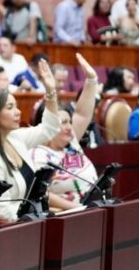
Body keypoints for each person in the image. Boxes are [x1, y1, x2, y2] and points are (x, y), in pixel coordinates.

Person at [0, 57, 60, 221]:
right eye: (10, 108)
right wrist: (38, 214)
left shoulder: (15, 138)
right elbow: (0, 212)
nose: (18, 112)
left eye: (16, 106)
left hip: (30, 222)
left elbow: (49, 128)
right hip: (10, 233)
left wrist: (51, 91)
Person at [29, 54, 100, 209]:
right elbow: (40, 192)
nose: (69, 127)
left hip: (94, 206)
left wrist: (91, 79)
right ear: (48, 125)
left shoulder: (71, 141)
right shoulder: (38, 154)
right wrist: (76, 209)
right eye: (63, 123)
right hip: (69, 215)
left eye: (69, 122)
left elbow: (82, 114)